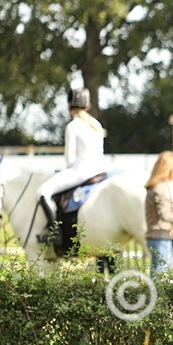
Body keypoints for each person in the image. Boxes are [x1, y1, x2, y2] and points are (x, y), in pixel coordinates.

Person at [37, 87, 107, 244]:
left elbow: (69, 160)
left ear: (69, 107)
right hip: (100, 171)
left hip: (81, 172)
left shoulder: (73, 126)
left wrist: (65, 170)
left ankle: (55, 232)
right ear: (87, 107)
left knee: (43, 191)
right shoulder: (95, 123)